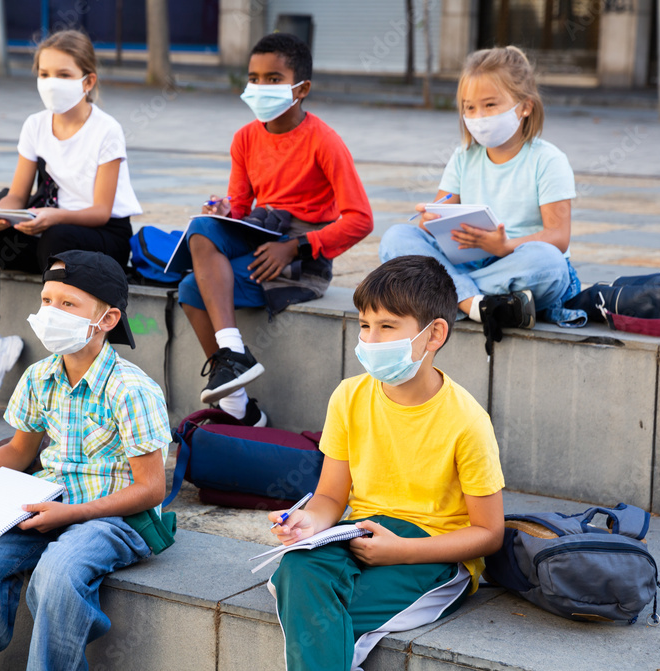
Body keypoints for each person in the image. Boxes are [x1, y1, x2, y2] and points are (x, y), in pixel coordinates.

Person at [0, 250, 170, 671]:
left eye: (68, 304)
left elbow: (150, 489)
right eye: (46, 301)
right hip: (43, 504)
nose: (50, 312)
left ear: (108, 320)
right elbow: (20, 450)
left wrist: (70, 514)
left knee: (57, 575)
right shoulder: (39, 376)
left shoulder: (132, 390)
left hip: (115, 518)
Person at [268, 255, 505, 671]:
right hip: (360, 534)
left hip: (432, 555)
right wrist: (310, 522)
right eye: (364, 325)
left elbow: (488, 533)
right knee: (297, 566)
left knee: (321, 613)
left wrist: (402, 551)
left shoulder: (468, 421)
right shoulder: (348, 396)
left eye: (388, 326)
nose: (371, 340)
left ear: (434, 335)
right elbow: (328, 495)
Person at [178, 32, 373, 427]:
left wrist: (296, 247)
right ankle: (234, 369)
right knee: (201, 228)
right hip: (259, 235)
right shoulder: (245, 138)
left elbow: (361, 219)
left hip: (303, 256)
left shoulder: (324, 141)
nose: (260, 87)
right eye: (254, 78)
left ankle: (240, 409)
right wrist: (222, 211)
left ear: (301, 88)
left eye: (273, 78)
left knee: (190, 289)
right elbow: (241, 209)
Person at [0, 29, 142, 418]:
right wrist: (0, 213)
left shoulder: (106, 129)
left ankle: (58, 361)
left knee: (55, 236)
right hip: (49, 227)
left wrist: (52, 216)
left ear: (87, 81)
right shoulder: (35, 125)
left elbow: (102, 210)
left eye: (62, 74)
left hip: (103, 233)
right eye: (44, 74)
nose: (50, 83)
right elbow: (18, 195)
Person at [379, 46, 585, 355]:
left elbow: (557, 237)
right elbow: (440, 210)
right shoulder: (464, 157)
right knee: (397, 237)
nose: (478, 117)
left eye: (490, 105)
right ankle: (478, 304)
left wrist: (502, 247)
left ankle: (447, 296)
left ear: (525, 107)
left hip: (517, 263)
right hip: (468, 260)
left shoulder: (548, 160)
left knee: (550, 264)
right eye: (469, 107)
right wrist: (429, 220)